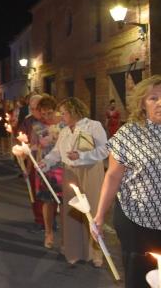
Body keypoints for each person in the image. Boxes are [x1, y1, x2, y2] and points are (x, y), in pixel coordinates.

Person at [93, 75, 161, 288]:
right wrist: (99, 215)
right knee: (140, 277)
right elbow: (113, 176)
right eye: (153, 98)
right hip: (137, 220)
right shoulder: (128, 134)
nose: (160, 102)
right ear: (142, 102)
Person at [40, 97, 107, 266]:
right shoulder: (64, 131)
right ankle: (74, 251)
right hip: (69, 172)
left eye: (64, 113)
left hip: (90, 170)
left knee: (91, 211)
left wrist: (82, 155)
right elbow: (57, 152)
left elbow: (105, 150)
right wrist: (46, 162)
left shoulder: (93, 126)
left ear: (75, 111)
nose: (61, 116)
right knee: (72, 212)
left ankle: (96, 253)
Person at [30, 95, 63, 249]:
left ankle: (67, 237)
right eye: (43, 114)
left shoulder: (64, 124)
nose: (46, 117)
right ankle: (48, 233)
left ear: (55, 111)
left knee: (65, 204)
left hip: (63, 167)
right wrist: (27, 150)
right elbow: (34, 146)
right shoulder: (38, 126)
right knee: (48, 201)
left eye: (49, 113)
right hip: (46, 168)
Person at [19, 94, 44, 230]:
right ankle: (39, 220)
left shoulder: (48, 120)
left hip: (47, 162)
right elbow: (21, 137)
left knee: (48, 193)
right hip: (32, 161)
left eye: (36, 108)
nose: (34, 111)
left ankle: (50, 219)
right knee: (34, 191)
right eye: (32, 108)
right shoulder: (28, 121)